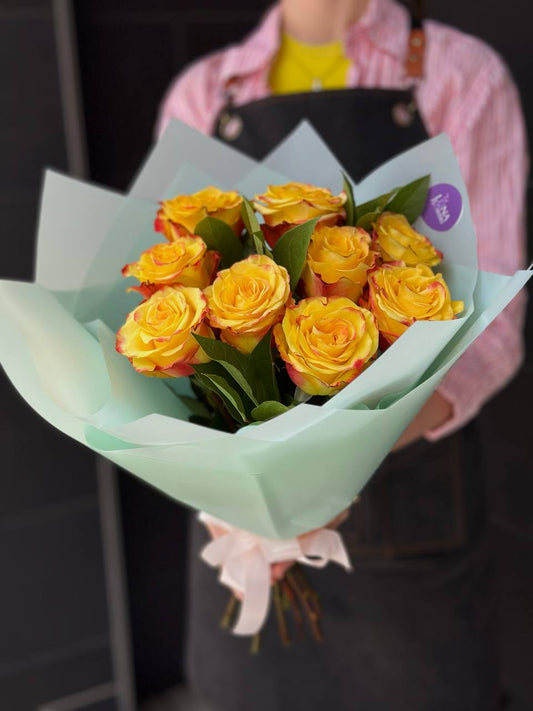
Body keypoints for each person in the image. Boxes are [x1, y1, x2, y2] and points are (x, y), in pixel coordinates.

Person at [156, 1, 528, 709]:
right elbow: (172, 292)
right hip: (244, 529)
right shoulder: (205, 94)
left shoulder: (460, 77)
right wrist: (254, 480)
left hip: (409, 521)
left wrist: (334, 457)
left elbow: (494, 332)